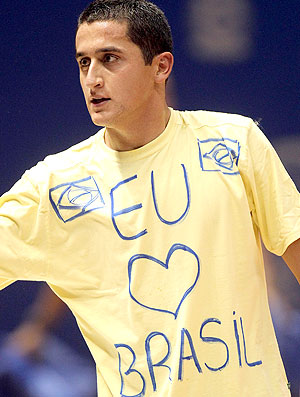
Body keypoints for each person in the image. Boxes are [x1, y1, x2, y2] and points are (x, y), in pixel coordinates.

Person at [1, 0, 299, 396]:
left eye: (110, 59)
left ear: (161, 67)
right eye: (83, 62)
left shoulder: (235, 141)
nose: (93, 78)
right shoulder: (53, 185)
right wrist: (36, 327)